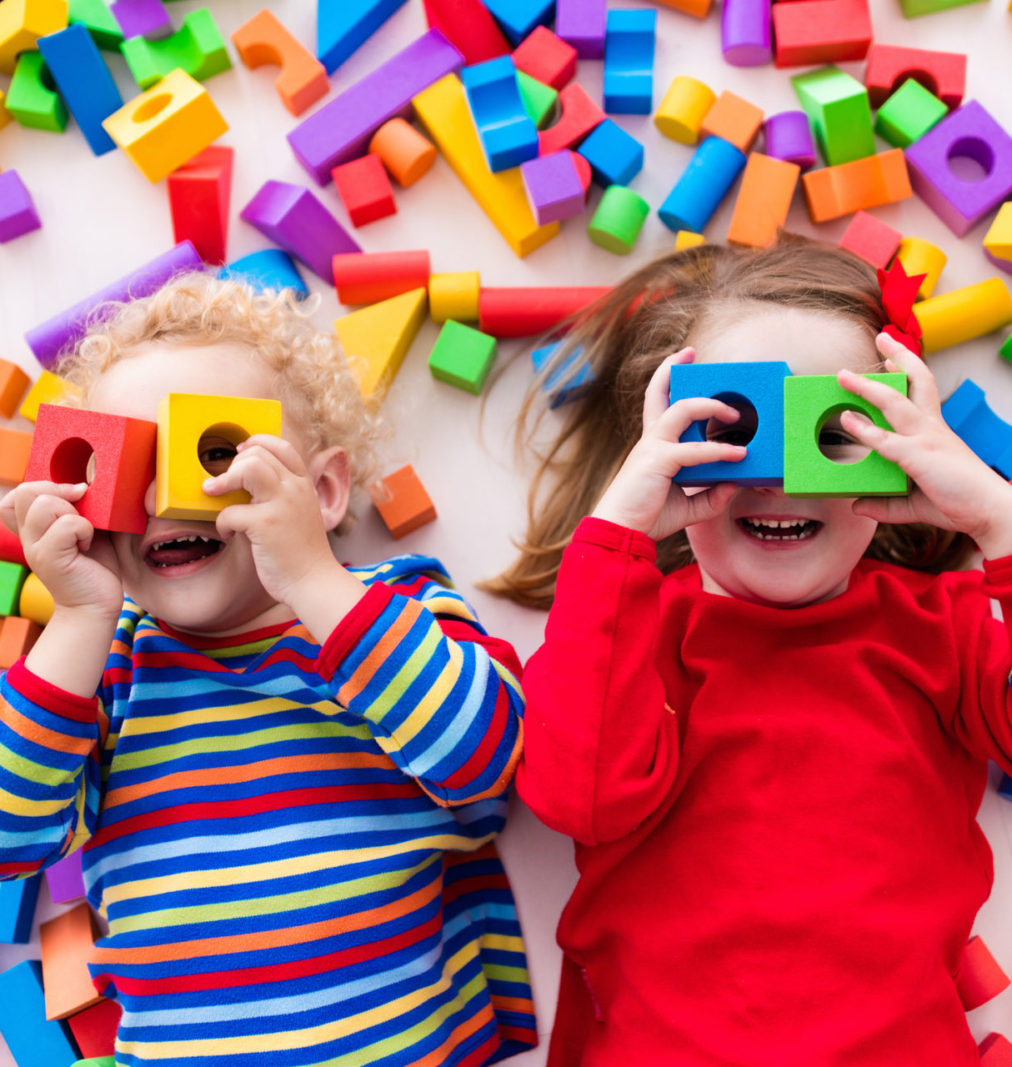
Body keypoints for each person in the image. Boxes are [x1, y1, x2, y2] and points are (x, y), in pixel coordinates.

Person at [489, 235, 1012, 1066]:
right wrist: (615, 536)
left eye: (833, 436)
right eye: (735, 431)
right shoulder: (633, 630)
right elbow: (577, 796)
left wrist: (995, 519)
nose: (780, 480)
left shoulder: (943, 628)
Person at [0, 273, 536, 1066]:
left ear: (321, 491)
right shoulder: (106, 666)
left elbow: (492, 762)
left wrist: (317, 582)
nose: (161, 498)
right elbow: (11, 834)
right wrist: (77, 616)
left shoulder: (392, 608)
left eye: (211, 454)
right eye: (125, 468)